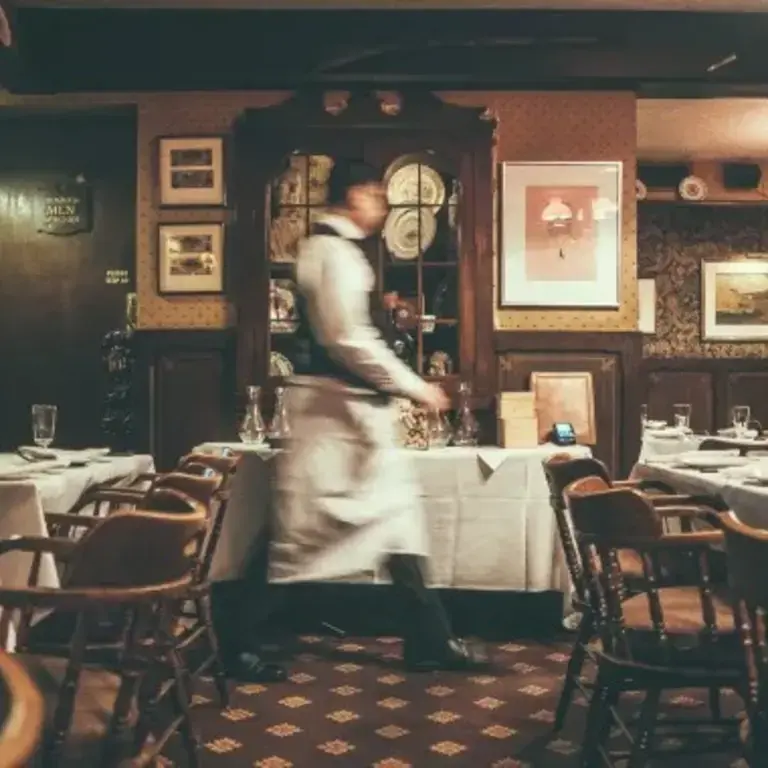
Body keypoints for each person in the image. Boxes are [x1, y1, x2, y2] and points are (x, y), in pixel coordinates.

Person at [269, 159, 486, 671]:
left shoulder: (335, 249)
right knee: (297, 536)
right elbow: (346, 339)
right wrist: (415, 387)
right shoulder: (332, 251)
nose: (384, 208)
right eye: (378, 196)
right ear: (357, 194)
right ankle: (243, 640)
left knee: (397, 522)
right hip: (331, 412)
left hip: (348, 412)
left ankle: (429, 637)